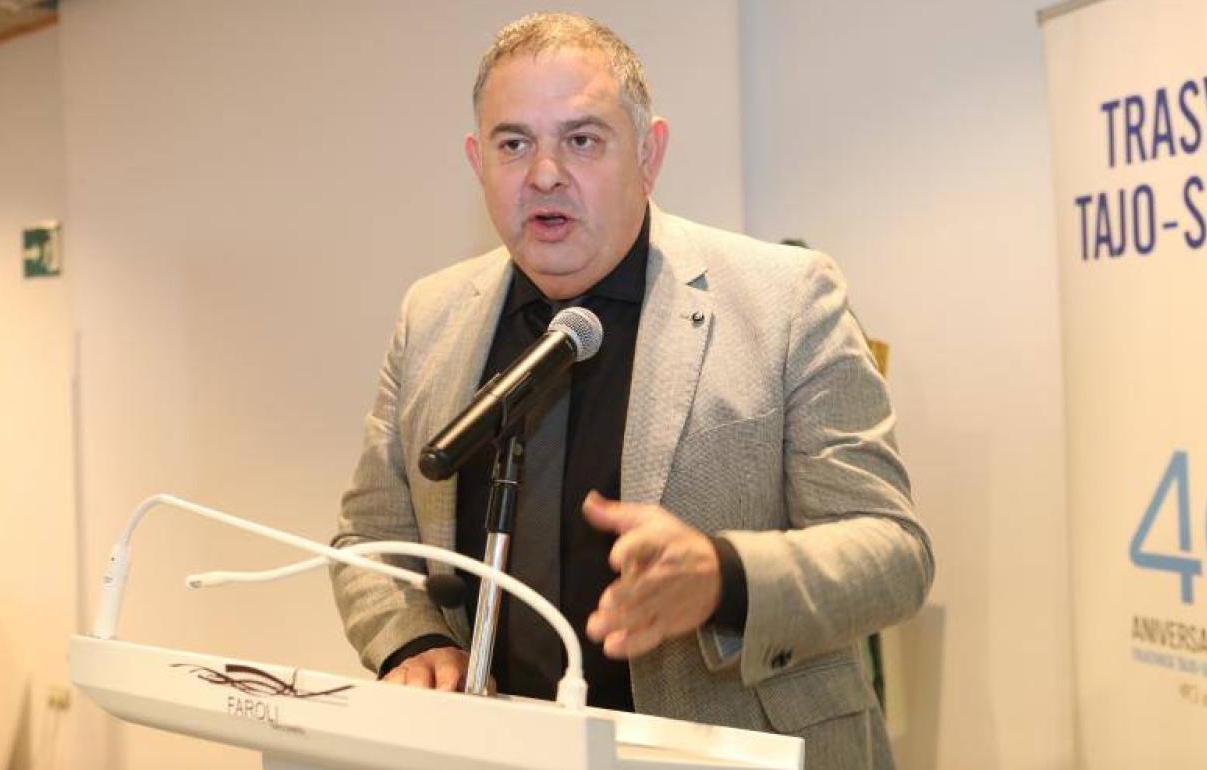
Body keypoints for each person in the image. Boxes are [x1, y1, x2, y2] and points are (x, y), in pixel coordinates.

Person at [331, 12, 933, 769]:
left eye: (582, 140)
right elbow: (368, 539)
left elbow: (894, 553)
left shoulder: (784, 300)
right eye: (513, 143)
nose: (544, 172)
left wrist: (726, 577)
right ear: (476, 161)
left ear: (649, 155)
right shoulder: (431, 316)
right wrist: (411, 638)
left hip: (732, 749)